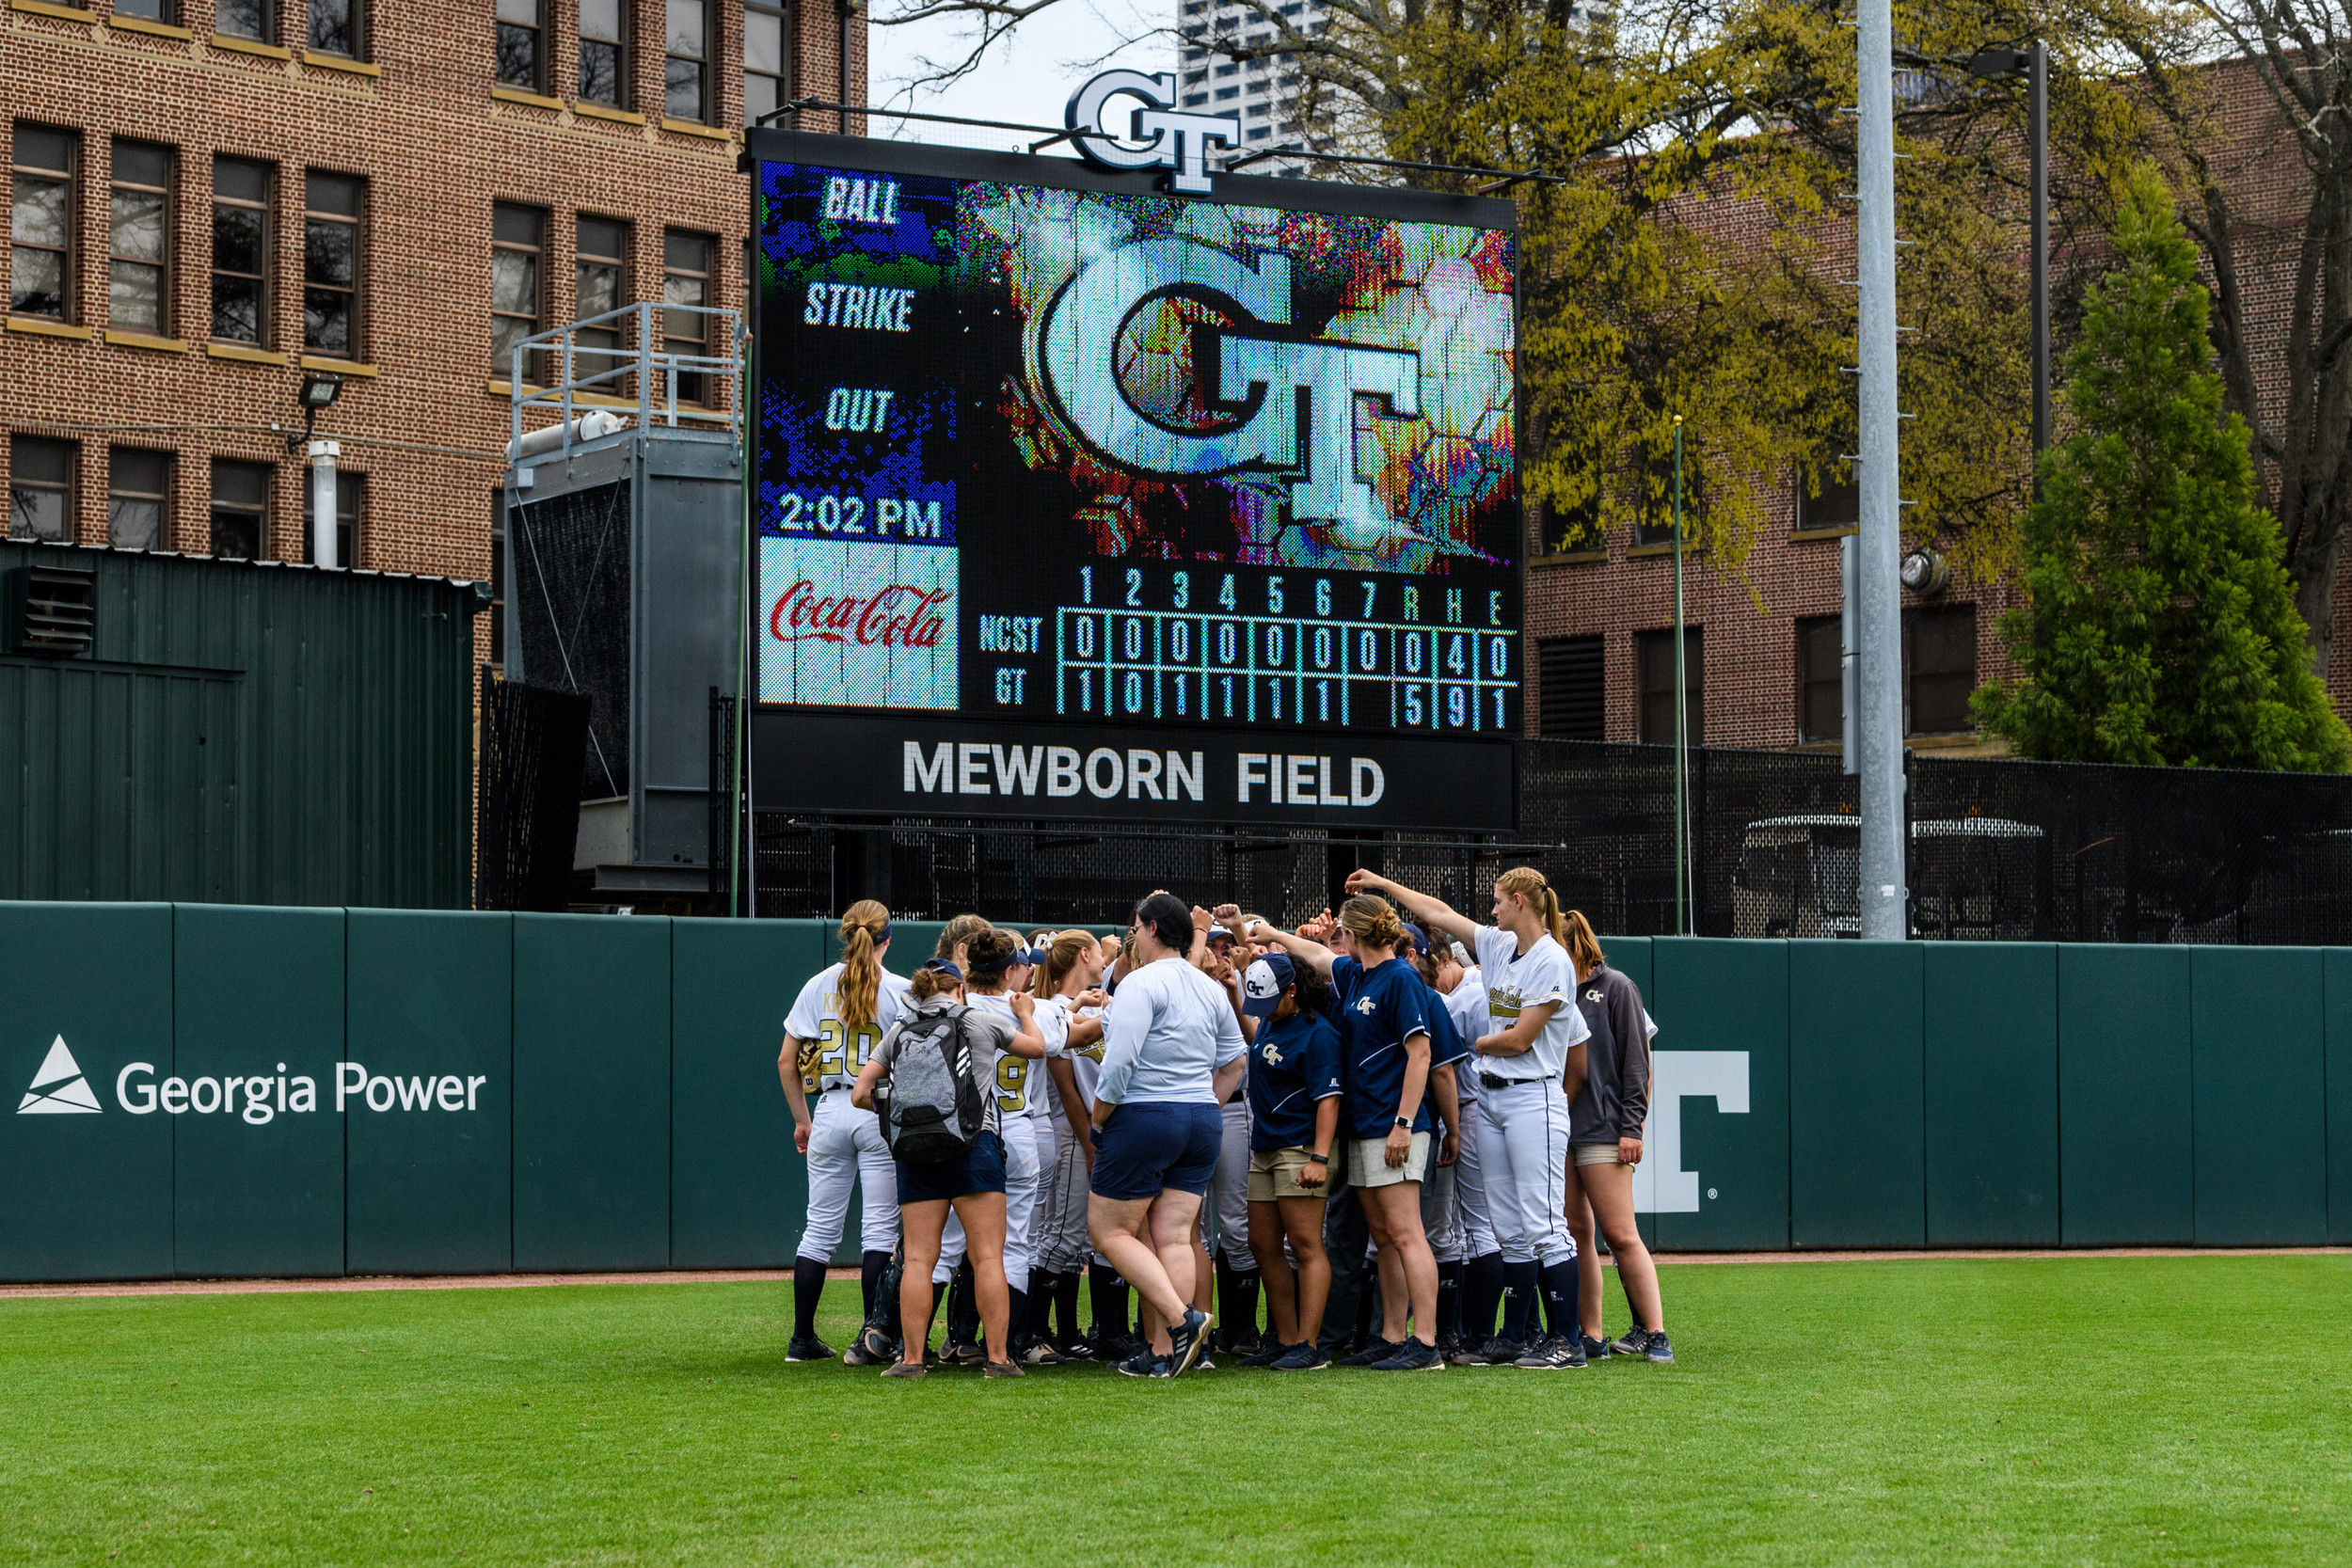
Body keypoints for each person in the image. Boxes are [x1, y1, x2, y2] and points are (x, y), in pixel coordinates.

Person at [1346, 865, 1593, 1370]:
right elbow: (1439, 913)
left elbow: (1521, 1038)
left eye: (1500, 900)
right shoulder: (1503, 948)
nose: (1493, 909)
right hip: (1497, 1094)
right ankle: (1515, 1337)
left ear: (1521, 902)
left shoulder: (1551, 958)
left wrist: (1472, 1043)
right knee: (1508, 1227)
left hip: (1533, 1094)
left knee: (1545, 1222)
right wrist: (1386, 886)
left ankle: (1568, 1341)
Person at [1251, 895, 1446, 1371]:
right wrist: (1273, 935)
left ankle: (1425, 1343)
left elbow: (1420, 1054)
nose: (1341, 942)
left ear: (1356, 935)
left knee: (1406, 1233)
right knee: (1384, 1235)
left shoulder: (1400, 976)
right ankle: (1392, 1335)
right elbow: (1319, 957)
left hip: (1392, 1124)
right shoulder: (1358, 973)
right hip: (1365, 1124)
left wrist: (1403, 1123)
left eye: (1345, 933)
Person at [851, 957, 1046, 1380]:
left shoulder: (900, 1030)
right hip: (974, 1147)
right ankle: (998, 1359)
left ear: (919, 993)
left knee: (919, 1259)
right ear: (958, 989)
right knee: (988, 1256)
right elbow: (1038, 1048)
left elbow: (859, 1094)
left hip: (916, 1153)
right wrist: (1027, 1015)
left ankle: (912, 1361)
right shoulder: (978, 1022)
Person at [1086, 892, 1239, 1378]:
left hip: (1147, 1113)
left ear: (1152, 929)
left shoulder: (1140, 982)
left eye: (1136, 927)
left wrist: (1097, 1118)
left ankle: (1180, 1322)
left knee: (1109, 1231)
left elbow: (1120, 1063)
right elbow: (1236, 1059)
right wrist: (1203, 1105)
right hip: (1200, 1116)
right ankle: (1164, 1352)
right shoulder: (1208, 985)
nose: (1133, 935)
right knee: (1173, 1237)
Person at [779, 899, 910, 1363]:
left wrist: (802, 1120)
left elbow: (786, 1060)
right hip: (878, 1106)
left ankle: (801, 1339)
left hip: (831, 1107)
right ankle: (871, 1338)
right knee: (878, 1231)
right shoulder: (901, 989)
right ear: (886, 939)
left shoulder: (817, 985)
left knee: (818, 1231)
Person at [1560, 911, 1674, 1365]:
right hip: (1561, 1126)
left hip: (1603, 1129)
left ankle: (1656, 1332)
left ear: (1571, 945)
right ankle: (1591, 1333)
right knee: (1575, 1232)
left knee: (1622, 1234)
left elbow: (1638, 1064)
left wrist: (1632, 1127)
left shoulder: (1616, 986)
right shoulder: (1555, 988)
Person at [930, 928, 1046, 1366]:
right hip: (1017, 1131)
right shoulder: (1038, 1011)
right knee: (1013, 1246)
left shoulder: (953, 1010)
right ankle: (1007, 1348)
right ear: (1010, 969)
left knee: (941, 1247)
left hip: (962, 1135)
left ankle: (917, 1343)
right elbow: (1063, 1042)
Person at [1234, 951, 1343, 1370]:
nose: (1262, 1012)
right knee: (1261, 1243)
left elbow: (1329, 1100)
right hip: (1265, 1146)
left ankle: (1309, 1345)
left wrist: (1318, 1158)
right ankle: (1284, 1338)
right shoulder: (1269, 1022)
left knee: (1305, 1244)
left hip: (1300, 1146)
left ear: (1293, 990)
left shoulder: (1319, 1034)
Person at [1025, 930, 1106, 1361]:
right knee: (1058, 1237)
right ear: (1083, 955)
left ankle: (1060, 1332)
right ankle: (1032, 1331)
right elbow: (1068, 1091)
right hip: (1062, 1129)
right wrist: (1089, 1142)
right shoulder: (1053, 1007)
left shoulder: (1071, 1004)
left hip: (1062, 1130)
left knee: (1066, 1240)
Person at [1432, 939, 1504, 1363]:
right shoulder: (1481, 988)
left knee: (1478, 1229)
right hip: (1498, 1107)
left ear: (1446, 959)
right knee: (1499, 1226)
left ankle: (1476, 1335)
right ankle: (1515, 1329)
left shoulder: (1463, 998)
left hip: (1472, 1108)